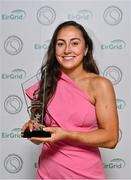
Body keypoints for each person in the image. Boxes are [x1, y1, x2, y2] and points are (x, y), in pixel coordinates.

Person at [21, 21, 119, 179]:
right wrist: (32, 130)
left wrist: (67, 135)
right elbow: (38, 139)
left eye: (74, 43)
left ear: (86, 49)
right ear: (54, 49)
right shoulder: (45, 84)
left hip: (85, 174)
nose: (67, 50)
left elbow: (111, 139)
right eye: (61, 44)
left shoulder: (100, 85)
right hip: (47, 174)